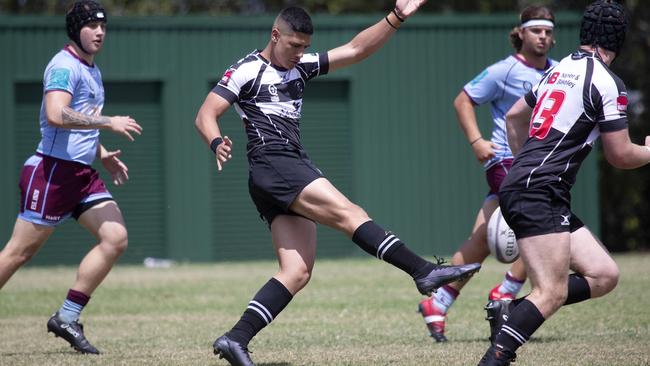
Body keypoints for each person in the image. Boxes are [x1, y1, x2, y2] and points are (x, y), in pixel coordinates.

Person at [194, 2, 482, 365]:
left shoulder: (301, 67)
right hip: (275, 163)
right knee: (350, 214)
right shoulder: (246, 70)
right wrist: (216, 141)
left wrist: (397, 17)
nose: (300, 54)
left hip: (282, 169)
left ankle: (235, 339)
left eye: (304, 47)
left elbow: (357, 49)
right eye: (293, 45)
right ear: (275, 35)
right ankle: (423, 272)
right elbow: (206, 113)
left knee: (297, 272)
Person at [478, 1, 650, 364]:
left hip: (532, 186)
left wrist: (524, 165)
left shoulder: (560, 70)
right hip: (540, 190)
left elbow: (514, 116)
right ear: (617, 42)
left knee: (604, 275)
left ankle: (511, 311)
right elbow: (620, 155)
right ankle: (494, 358)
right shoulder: (606, 82)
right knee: (552, 292)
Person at [0, 0, 142, 355]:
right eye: (92, 26)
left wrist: (102, 153)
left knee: (115, 238)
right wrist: (108, 122)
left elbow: (79, 122)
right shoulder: (64, 66)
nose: (99, 32)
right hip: (51, 173)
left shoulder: (91, 69)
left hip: (81, 174)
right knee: (17, 254)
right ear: (75, 29)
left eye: (104, 26)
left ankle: (67, 317)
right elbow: (56, 114)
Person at [417, 5, 557, 343]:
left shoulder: (558, 72)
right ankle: (506, 292)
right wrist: (477, 141)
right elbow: (463, 100)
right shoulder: (504, 71)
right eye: (536, 29)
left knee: (481, 238)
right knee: (545, 228)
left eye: (549, 31)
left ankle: (437, 302)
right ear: (520, 32)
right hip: (507, 161)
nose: (543, 36)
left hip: (539, 164)